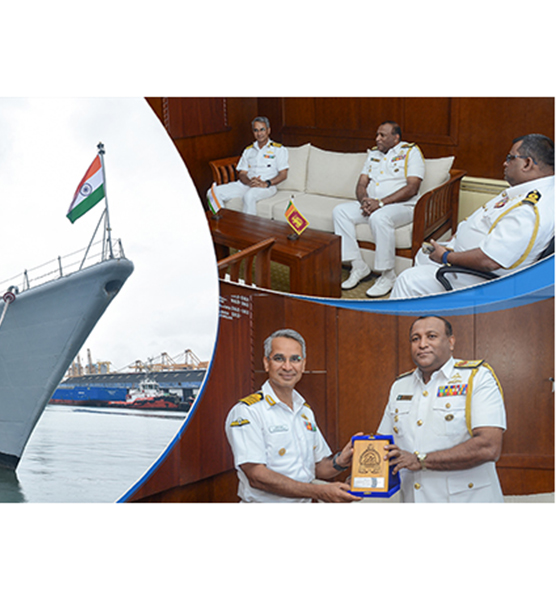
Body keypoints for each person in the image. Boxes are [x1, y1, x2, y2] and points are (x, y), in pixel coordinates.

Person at [390, 134, 555, 298]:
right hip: (470, 261)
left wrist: (446, 256)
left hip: (482, 281)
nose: (505, 163)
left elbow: (489, 261)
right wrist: (458, 238)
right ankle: (429, 314)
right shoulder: (532, 190)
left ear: (527, 163)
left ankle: (405, 319)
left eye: (510, 158)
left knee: (407, 280)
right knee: (424, 254)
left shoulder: (529, 209)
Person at [378, 316, 506, 502]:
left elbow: (489, 446)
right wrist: (361, 472)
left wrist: (420, 460)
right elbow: (384, 444)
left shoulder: (477, 378)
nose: (422, 344)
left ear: (451, 342)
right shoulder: (400, 386)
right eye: (415, 338)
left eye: (431, 336)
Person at [224, 329, 359, 503]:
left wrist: (341, 460)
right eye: (279, 358)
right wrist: (319, 491)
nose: (287, 367)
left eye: (295, 359)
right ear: (266, 363)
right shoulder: (247, 412)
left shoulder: (305, 412)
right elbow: (256, 476)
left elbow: (317, 468)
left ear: (303, 364)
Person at [333, 121, 425, 297]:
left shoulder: (411, 152)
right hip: (374, 205)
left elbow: (412, 187)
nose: (377, 139)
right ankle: (358, 266)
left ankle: (388, 275)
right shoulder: (374, 154)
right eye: (377, 134)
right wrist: (364, 202)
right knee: (340, 211)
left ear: (396, 137)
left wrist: (381, 203)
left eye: (382, 135)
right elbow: (361, 183)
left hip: (403, 206)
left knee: (379, 218)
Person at [207, 117, 289, 216]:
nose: (259, 133)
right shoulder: (248, 151)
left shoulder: (279, 150)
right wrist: (249, 182)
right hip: (246, 184)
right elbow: (242, 173)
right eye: (256, 130)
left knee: (249, 196)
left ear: (268, 130)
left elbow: (283, 174)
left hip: (267, 187)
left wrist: (266, 183)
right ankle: (223, 222)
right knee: (212, 192)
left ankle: (248, 229)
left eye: (262, 129)